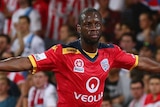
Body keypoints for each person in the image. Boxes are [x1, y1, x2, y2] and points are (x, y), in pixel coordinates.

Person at [0, 8, 160, 107]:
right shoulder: (62, 52)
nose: (93, 28)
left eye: (97, 24)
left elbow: (139, 61)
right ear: (79, 28)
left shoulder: (111, 52)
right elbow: (27, 61)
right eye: (88, 24)